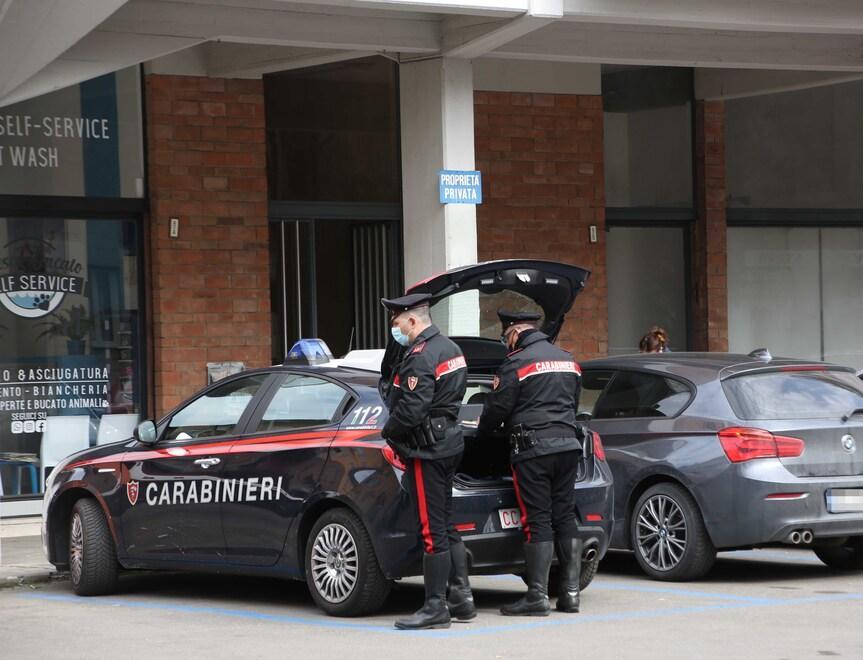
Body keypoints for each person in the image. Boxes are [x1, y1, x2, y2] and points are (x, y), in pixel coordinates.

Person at [379, 292, 476, 630]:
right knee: (445, 522)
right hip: (449, 443)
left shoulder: (420, 356)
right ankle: (461, 598)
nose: (396, 330)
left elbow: (411, 409)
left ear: (412, 320)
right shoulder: (452, 348)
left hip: (428, 450)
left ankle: (436, 606)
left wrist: (388, 431)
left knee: (431, 529)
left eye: (397, 323)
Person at [478, 310, 584, 616]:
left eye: (505, 338)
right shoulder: (568, 359)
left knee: (537, 519)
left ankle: (537, 596)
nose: (506, 343)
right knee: (565, 516)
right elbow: (573, 404)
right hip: (568, 446)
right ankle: (571, 595)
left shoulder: (517, 362)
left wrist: (483, 434)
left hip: (533, 451)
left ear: (514, 332)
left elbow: (497, 409)